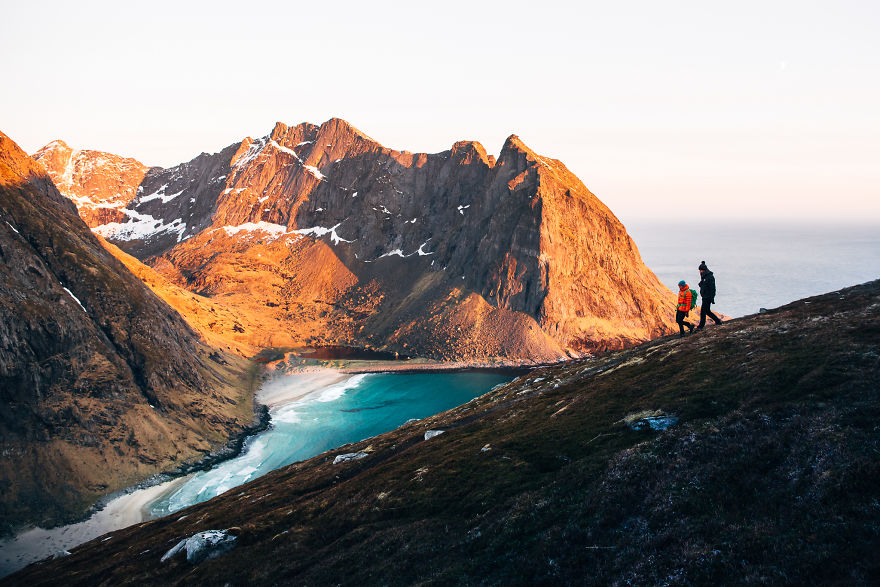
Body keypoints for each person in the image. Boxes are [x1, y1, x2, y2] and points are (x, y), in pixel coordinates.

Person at [697, 261, 723, 329]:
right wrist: (701, 284)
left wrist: (712, 298)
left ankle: (701, 326)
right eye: (700, 270)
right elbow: (704, 284)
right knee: (707, 311)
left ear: (704, 270)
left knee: (703, 312)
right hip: (705, 296)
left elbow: (712, 288)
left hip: (707, 297)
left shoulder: (710, 277)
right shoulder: (704, 276)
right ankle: (718, 321)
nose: (700, 271)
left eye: (701, 270)